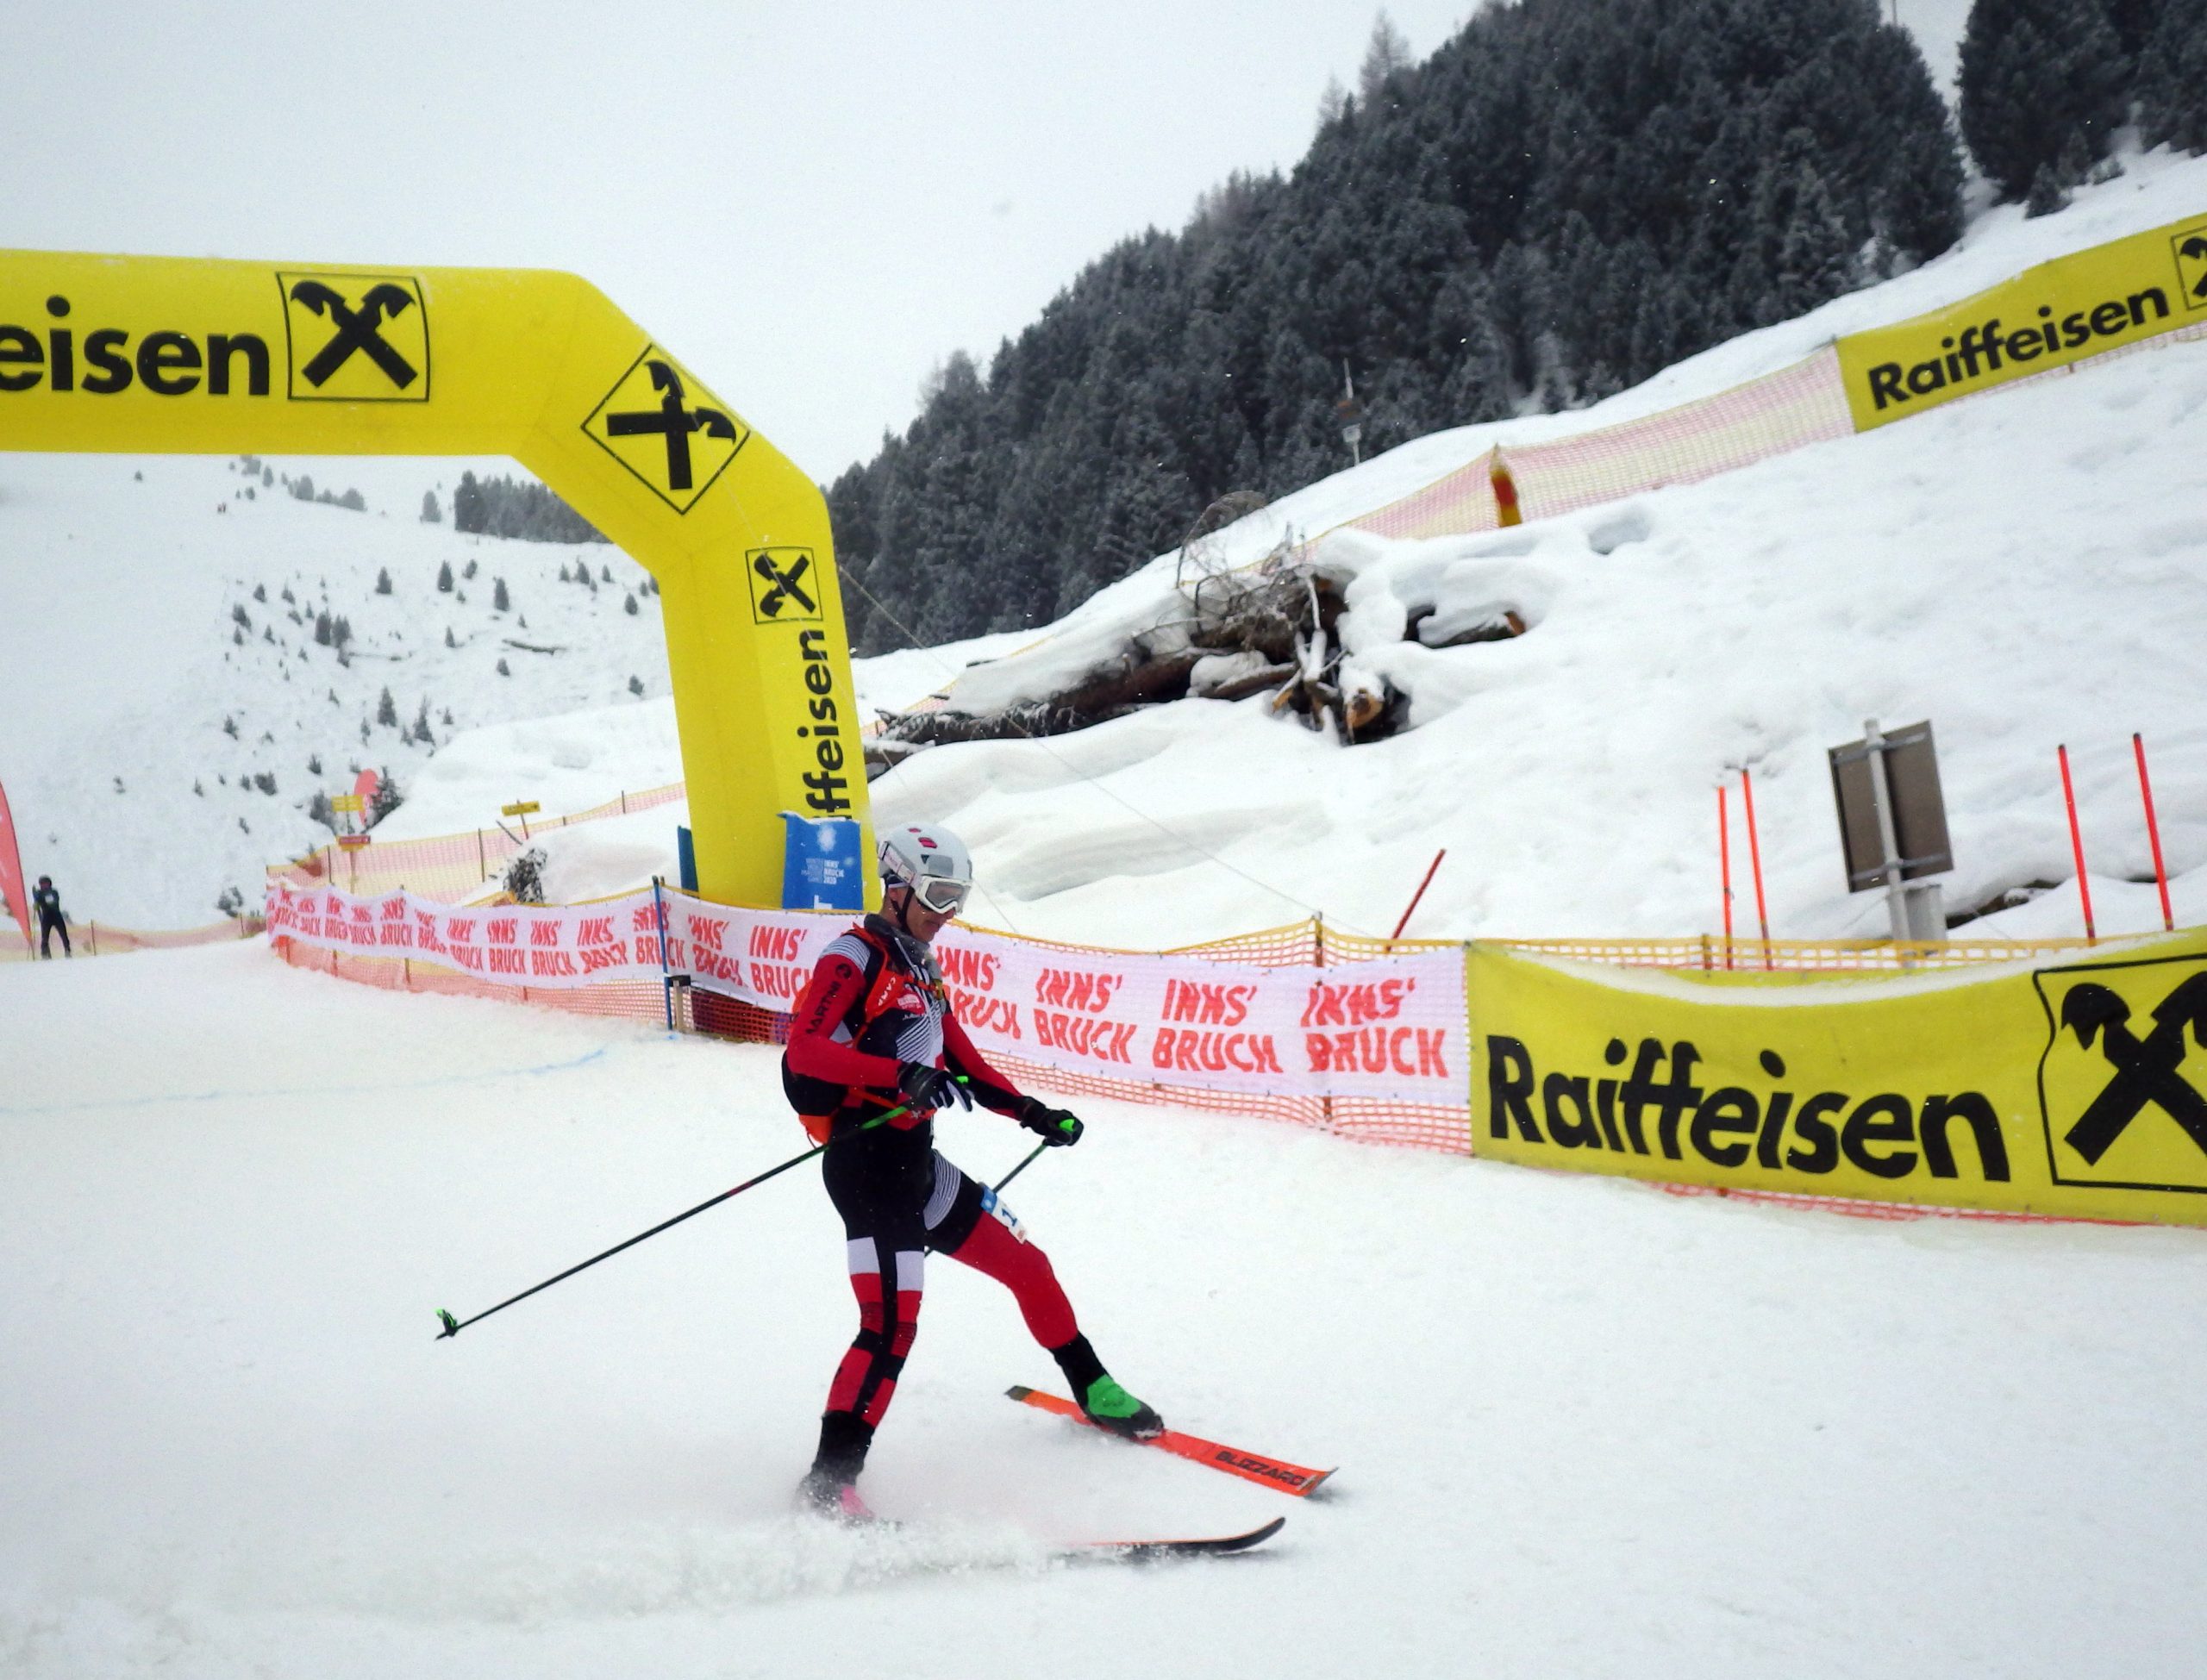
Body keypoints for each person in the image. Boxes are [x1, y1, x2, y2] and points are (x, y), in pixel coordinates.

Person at [781, 821, 1161, 1521]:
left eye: (958, 897)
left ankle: (1093, 1387)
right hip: (866, 1168)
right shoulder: (852, 959)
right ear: (895, 887)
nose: (946, 912)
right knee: (891, 1325)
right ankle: (828, 1481)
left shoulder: (921, 965)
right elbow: (805, 1051)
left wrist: (1030, 1111)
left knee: (1029, 1264)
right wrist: (900, 1076)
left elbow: (962, 1061)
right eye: (935, 894)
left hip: (918, 1165)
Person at [32, 875, 68, 959]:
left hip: (56, 915)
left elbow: (51, 902)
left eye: (45, 883)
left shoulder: (53, 892)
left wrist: (39, 900)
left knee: (63, 934)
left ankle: (67, 950)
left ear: (49, 884)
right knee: (45, 936)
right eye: (41, 884)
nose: (43, 885)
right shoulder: (39, 893)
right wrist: (36, 903)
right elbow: (39, 902)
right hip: (46, 917)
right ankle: (45, 953)